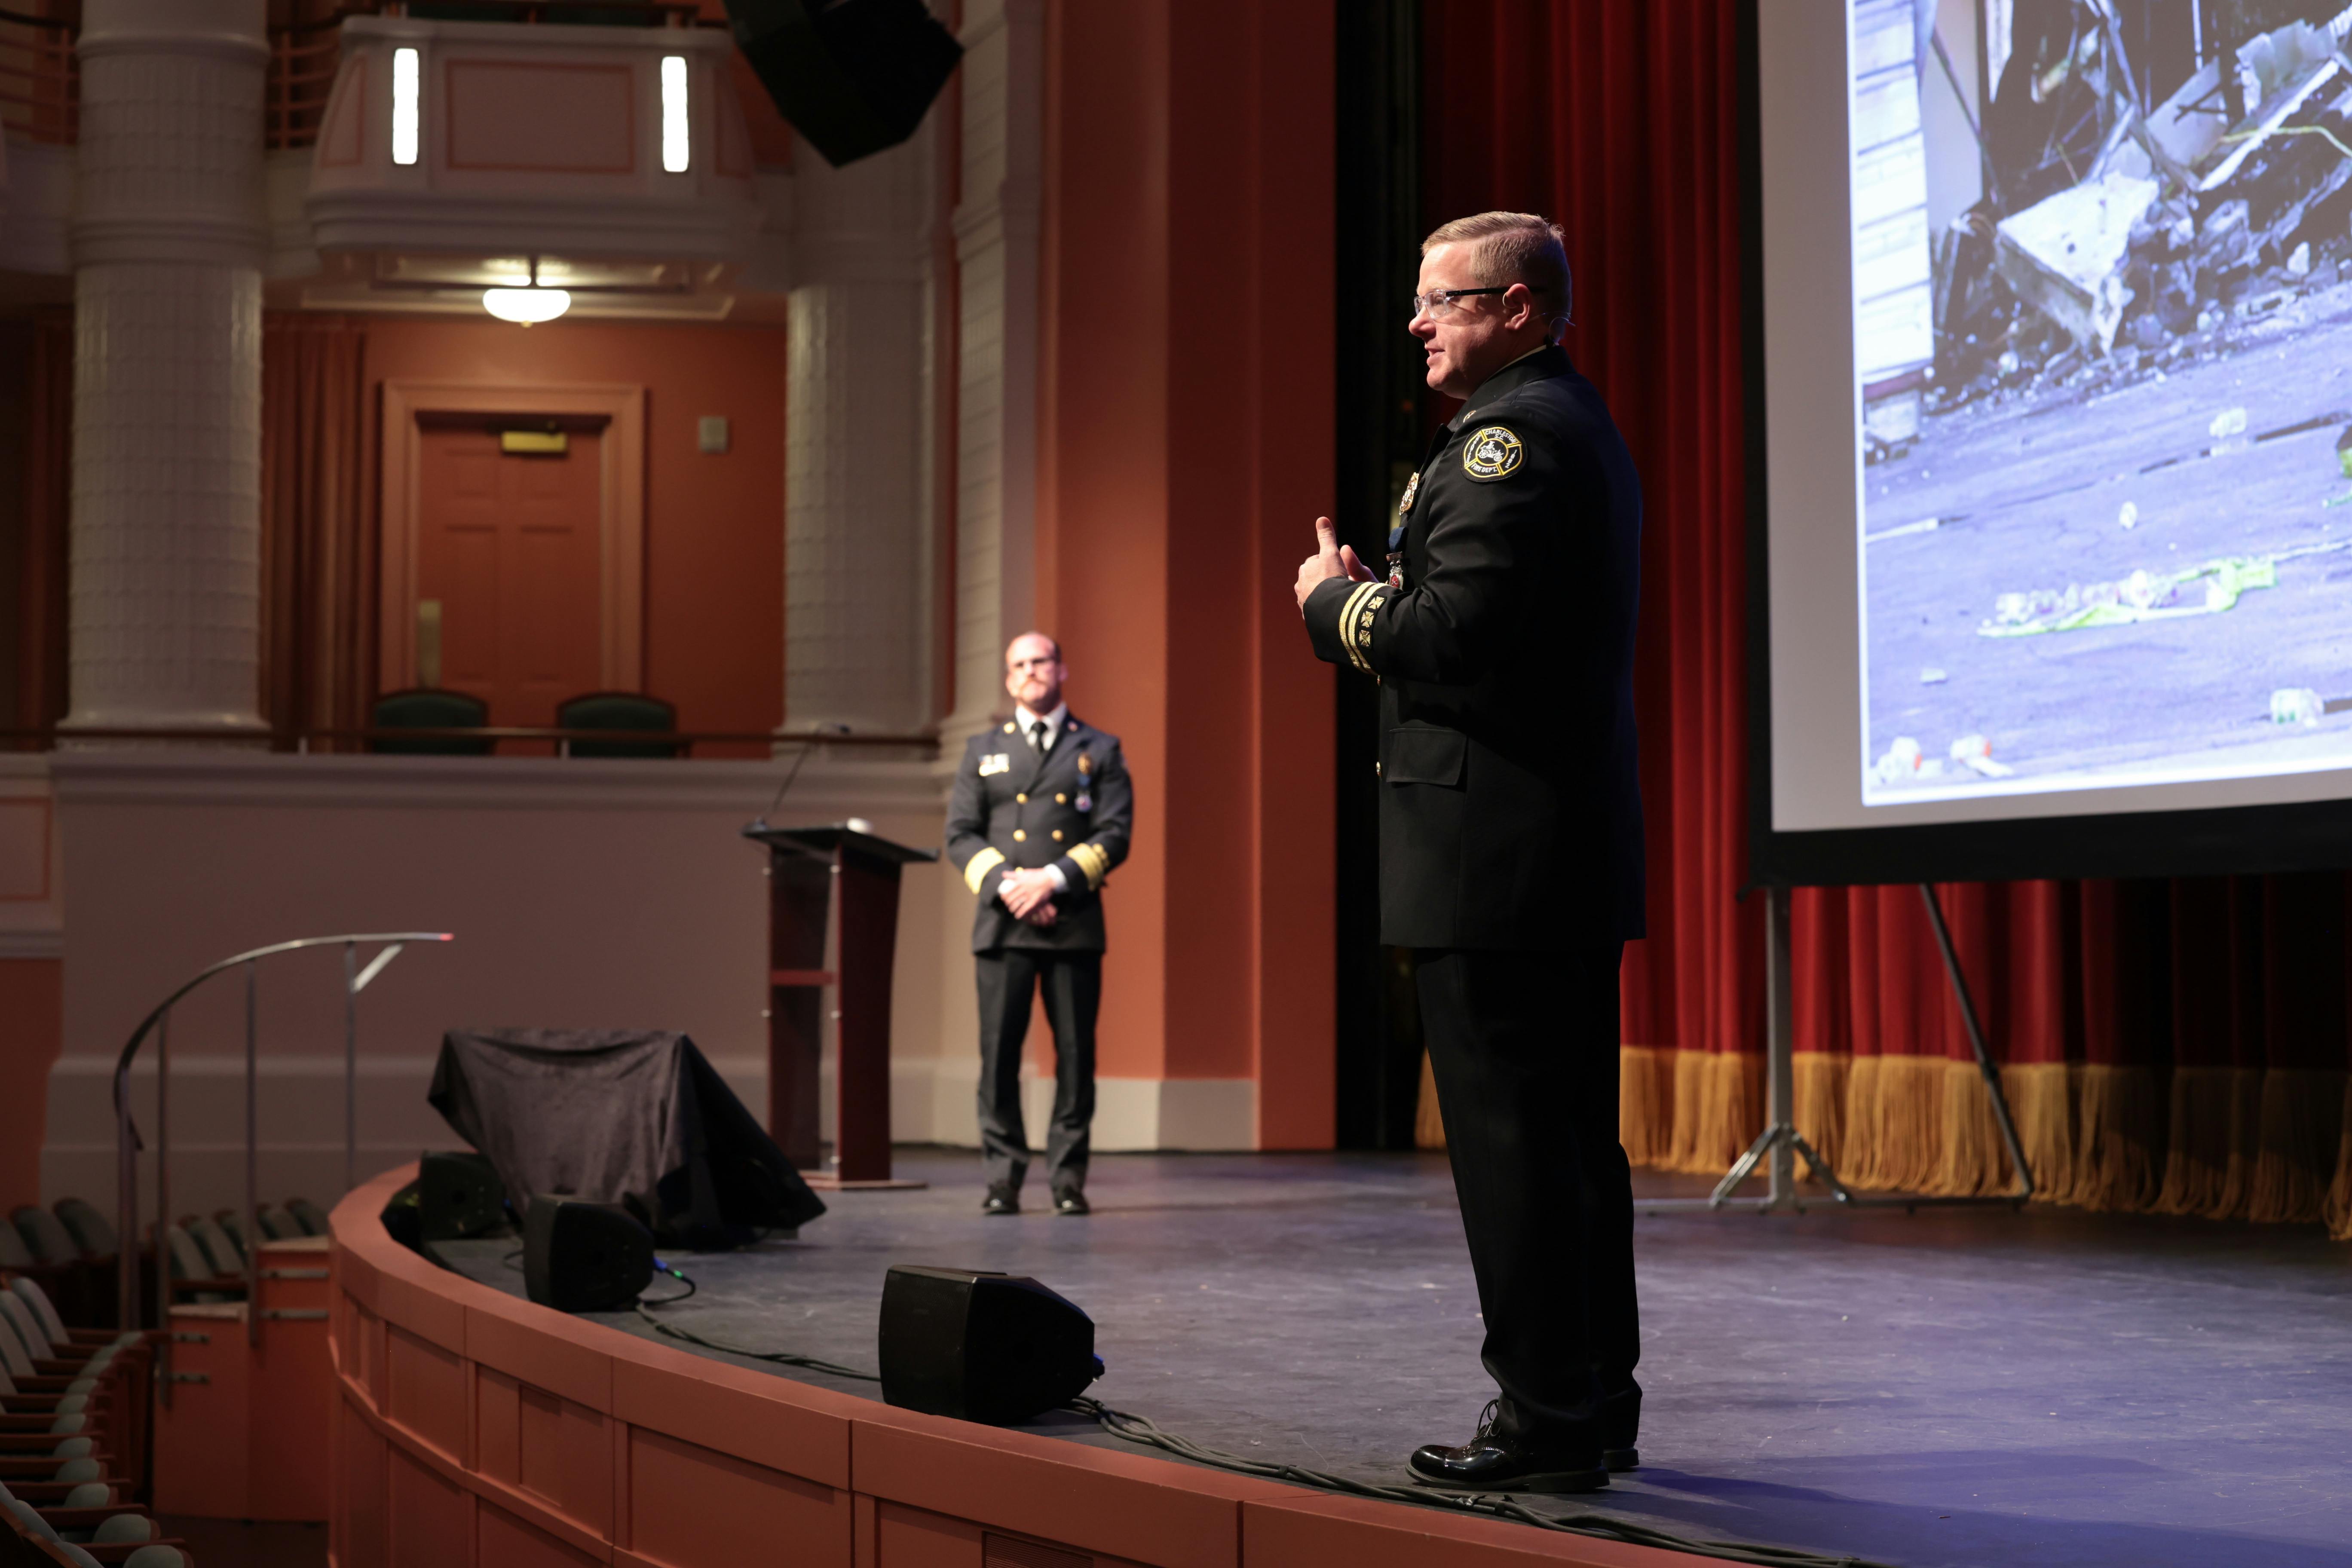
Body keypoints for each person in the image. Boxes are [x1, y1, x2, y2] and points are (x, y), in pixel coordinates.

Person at [1295, 211, 1645, 1493]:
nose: (1418, 321)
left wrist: (1334, 604)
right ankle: (1591, 1402)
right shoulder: (1560, 425)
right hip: (1539, 850)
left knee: (1516, 1150)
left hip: (1495, 855)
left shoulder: (1513, 440)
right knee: (1564, 1148)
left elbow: (1453, 637)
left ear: (1516, 308)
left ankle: (1546, 1420)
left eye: (1442, 300)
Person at [945, 633, 1133, 1217]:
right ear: (1008, 679)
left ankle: (1068, 1179)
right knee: (998, 1055)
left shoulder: (1099, 748)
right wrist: (1014, 887)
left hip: (1071, 921)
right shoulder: (982, 749)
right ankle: (1003, 1179)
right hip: (1004, 923)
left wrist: (1048, 882)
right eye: (1019, 664)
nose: (1031, 671)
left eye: (1041, 660)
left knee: (1076, 1058)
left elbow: (1115, 833)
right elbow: (960, 834)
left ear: (1061, 669)